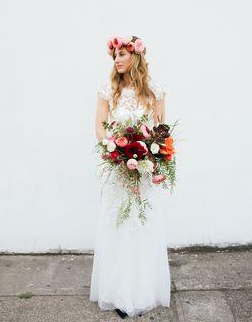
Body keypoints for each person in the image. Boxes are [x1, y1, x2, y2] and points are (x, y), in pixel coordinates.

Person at [89, 35, 171, 318]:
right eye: (115, 56)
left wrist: (152, 154)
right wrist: (115, 150)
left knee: (143, 224)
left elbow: (161, 130)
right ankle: (118, 292)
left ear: (136, 57)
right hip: (118, 171)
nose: (118, 60)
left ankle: (142, 290)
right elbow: (100, 128)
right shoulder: (107, 91)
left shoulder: (155, 92)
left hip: (145, 171)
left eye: (123, 54)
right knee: (118, 224)